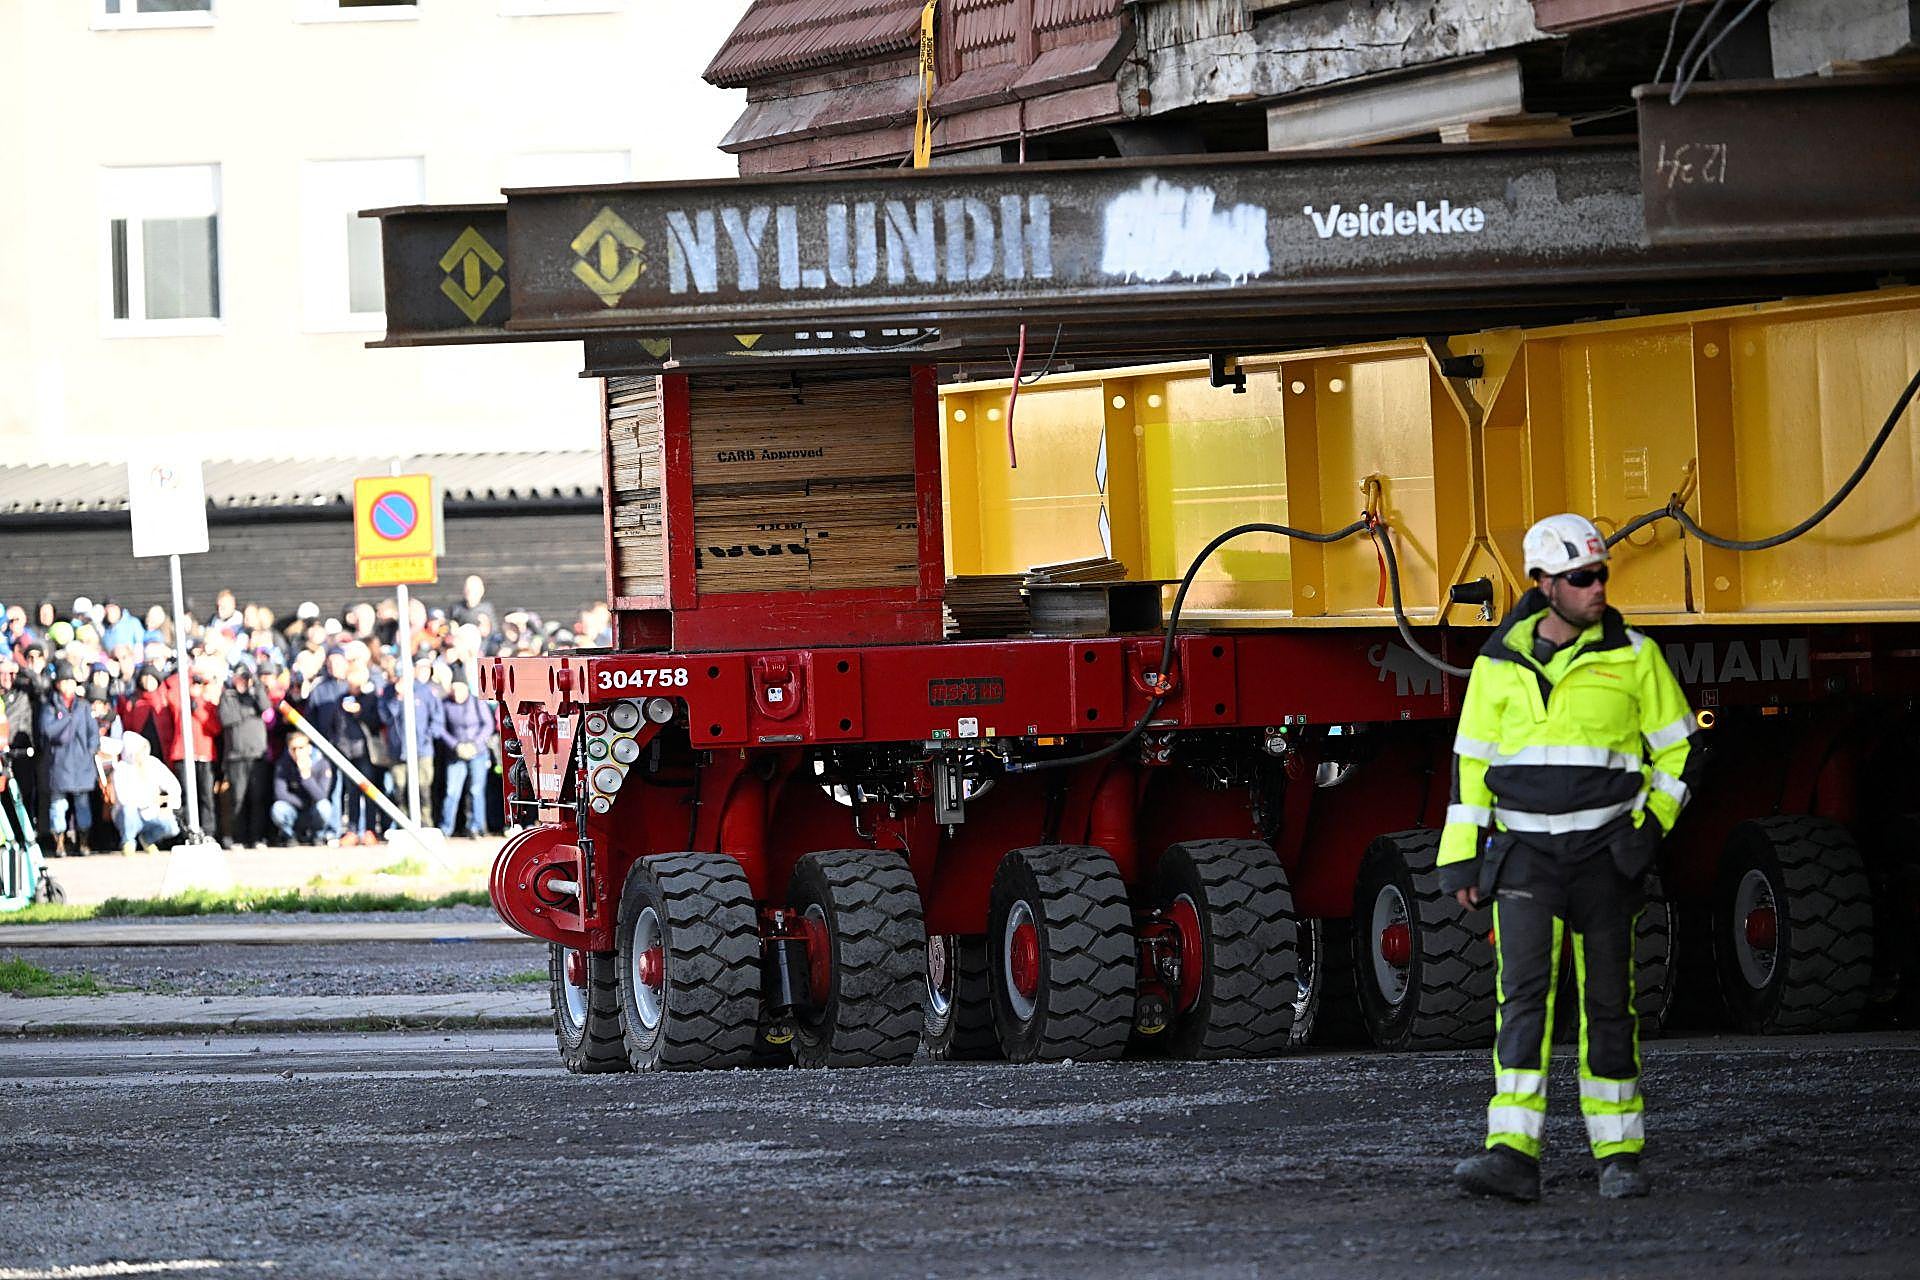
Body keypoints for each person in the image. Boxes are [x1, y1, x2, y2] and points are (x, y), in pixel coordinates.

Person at [1441, 513, 1697, 1204]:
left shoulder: (1635, 657)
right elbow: (1472, 768)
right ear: (1545, 584)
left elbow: (1678, 750)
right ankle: (1512, 1155)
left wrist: (1649, 827)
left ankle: (1619, 1156)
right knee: (1520, 1003)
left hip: (1604, 857)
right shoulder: (1498, 664)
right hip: (1525, 857)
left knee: (1611, 1007)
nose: (1597, 589)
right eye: (1583, 578)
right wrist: (1461, 862)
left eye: (1602, 576)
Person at [35, 664, 100, 857]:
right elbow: (47, 730)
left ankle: (83, 842)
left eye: (71, 682)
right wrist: (67, 719)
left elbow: (93, 733)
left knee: (82, 805)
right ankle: (60, 844)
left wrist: (89, 752)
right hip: (59, 763)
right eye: (65, 681)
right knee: (58, 805)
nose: (68, 686)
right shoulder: (50, 706)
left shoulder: (83, 706)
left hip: (81, 763)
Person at [219, 666, 274, 847]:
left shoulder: (256, 694)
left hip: (257, 754)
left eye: (245, 677)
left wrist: (256, 683)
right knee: (238, 798)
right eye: (239, 677)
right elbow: (228, 719)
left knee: (257, 797)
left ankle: (257, 837)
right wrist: (250, 712)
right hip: (236, 756)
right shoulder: (228, 696)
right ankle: (239, 837)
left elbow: (265, 707)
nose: (241, 680)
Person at [436, 678, 493, 837]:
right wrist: (456, 745)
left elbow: (487, 724)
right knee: (452, 791)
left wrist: (475, 744)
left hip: (478, 751)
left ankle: (477, 826)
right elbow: (440, 727)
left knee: (476, 790)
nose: (457, 694)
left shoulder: (477, 702)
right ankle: (446, 827)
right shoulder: (445, 704)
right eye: (454, 690)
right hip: (456, 752)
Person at [110, 733, 180, 853]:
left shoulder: (153, 763)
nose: (142, 754)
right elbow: (124, 799)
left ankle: (147, 839)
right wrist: (151, 800)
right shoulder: (121, 769)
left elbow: (173, 786)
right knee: (128, 810)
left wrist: (168, 805)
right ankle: (128, 841)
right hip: (130, 815)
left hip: (152, 812)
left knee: (172, 827)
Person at [271, 731, 336, 846]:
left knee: (324, 807)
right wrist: (302, 804)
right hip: (295, 810)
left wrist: (306, 777)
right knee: (278, 809)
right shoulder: (283, 764)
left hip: (313, 811)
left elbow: (321, 796)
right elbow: (280, 793)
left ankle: (318, 836)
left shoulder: (322, 763)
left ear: (309, 748)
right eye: (293, 749)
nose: (297, 752)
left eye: (301, 748)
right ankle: (290, 836)